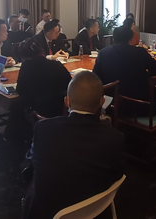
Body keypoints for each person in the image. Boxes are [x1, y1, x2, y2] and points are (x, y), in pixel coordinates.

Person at [23, 72, 124, 219]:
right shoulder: (115, 138)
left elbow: (31, 162)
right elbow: (117, 174)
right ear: (102, 102)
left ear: (67, 101)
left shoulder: (43, 128)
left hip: (47, 212)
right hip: (96, 211)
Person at [93, 25, 156, 112]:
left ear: (113, 39)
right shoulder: (140, 52)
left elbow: (95, 76)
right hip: (141, 105)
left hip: (114, 105)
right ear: (130, 39)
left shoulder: (103, 53)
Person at [15, 38, 72, 117]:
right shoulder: (56, 64)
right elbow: (70, 85)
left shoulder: (26, 67)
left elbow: (20, 90)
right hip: (61, 111)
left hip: (38, 113)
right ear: (41, 50)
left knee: (16, 108)